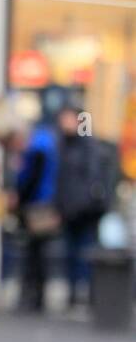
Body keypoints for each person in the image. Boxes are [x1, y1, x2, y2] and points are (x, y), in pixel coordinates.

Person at [54, 104, 118, 310]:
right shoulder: (62, 145)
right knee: (71, 254)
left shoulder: (89, 147)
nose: (65, 123)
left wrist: (84, 204)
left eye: (69, 118)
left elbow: (91, 180)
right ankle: (73, 295)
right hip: (68, 211)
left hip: (86, 212)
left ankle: (89, 296)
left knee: (86, 254)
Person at [8, 115, 60, 313]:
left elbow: (30, 182)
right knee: (37, 253)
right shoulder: (44, 146)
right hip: (42, 205)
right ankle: (35, 295)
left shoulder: (37, 150)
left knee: (34, 253)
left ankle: (33, 295)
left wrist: (18, 198)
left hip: (38, 209)